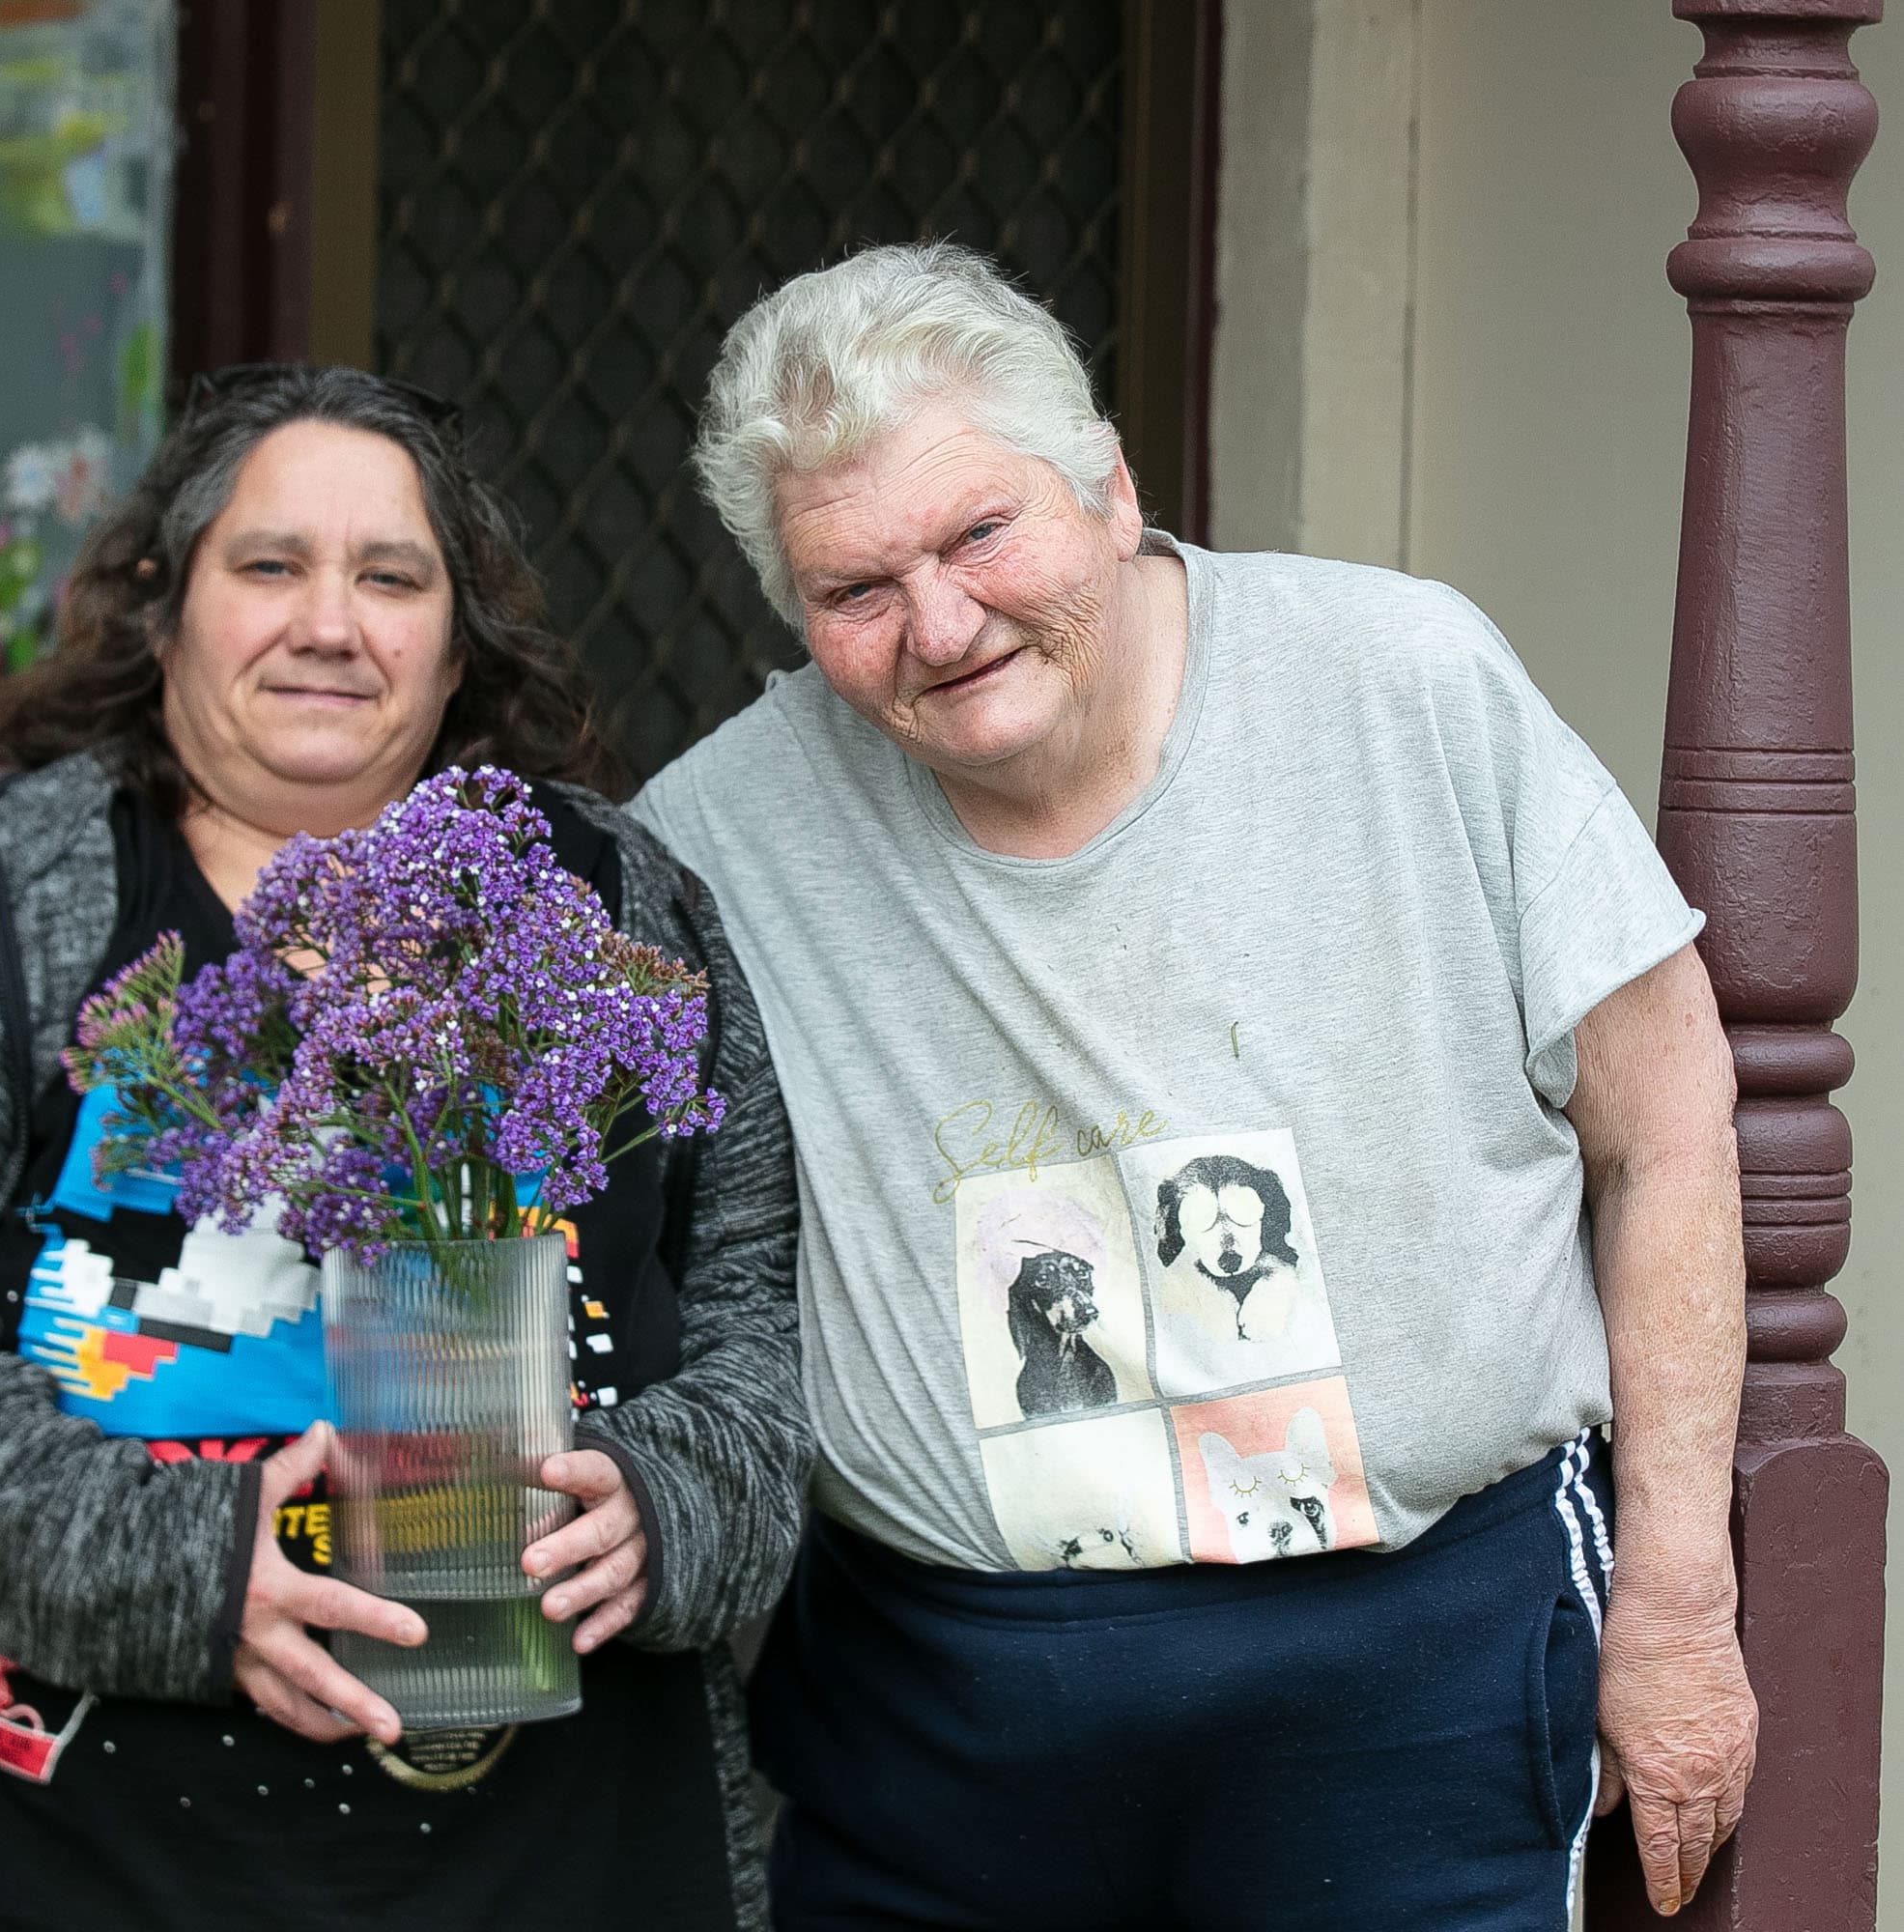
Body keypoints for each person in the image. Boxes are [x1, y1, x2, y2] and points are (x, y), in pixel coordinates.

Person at [632, 243, 1755, 1928]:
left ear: (1108, 486)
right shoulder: (714, 840)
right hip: (939, 1725)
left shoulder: (1404, 683)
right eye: (855, 589)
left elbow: (1664, 1130)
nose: (940, 625)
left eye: (980, 533)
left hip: (1411, 1680)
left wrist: (1677, 1602)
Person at [0, 366, 803, 1932]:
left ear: (458, 639)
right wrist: (175, 1567)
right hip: (63, 1871)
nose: (330, 624)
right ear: (165, 608)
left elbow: (759, 1308)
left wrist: (675, 1507)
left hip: (567, 1866)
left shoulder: (613, 909)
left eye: (391, 578)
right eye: (271, 565)